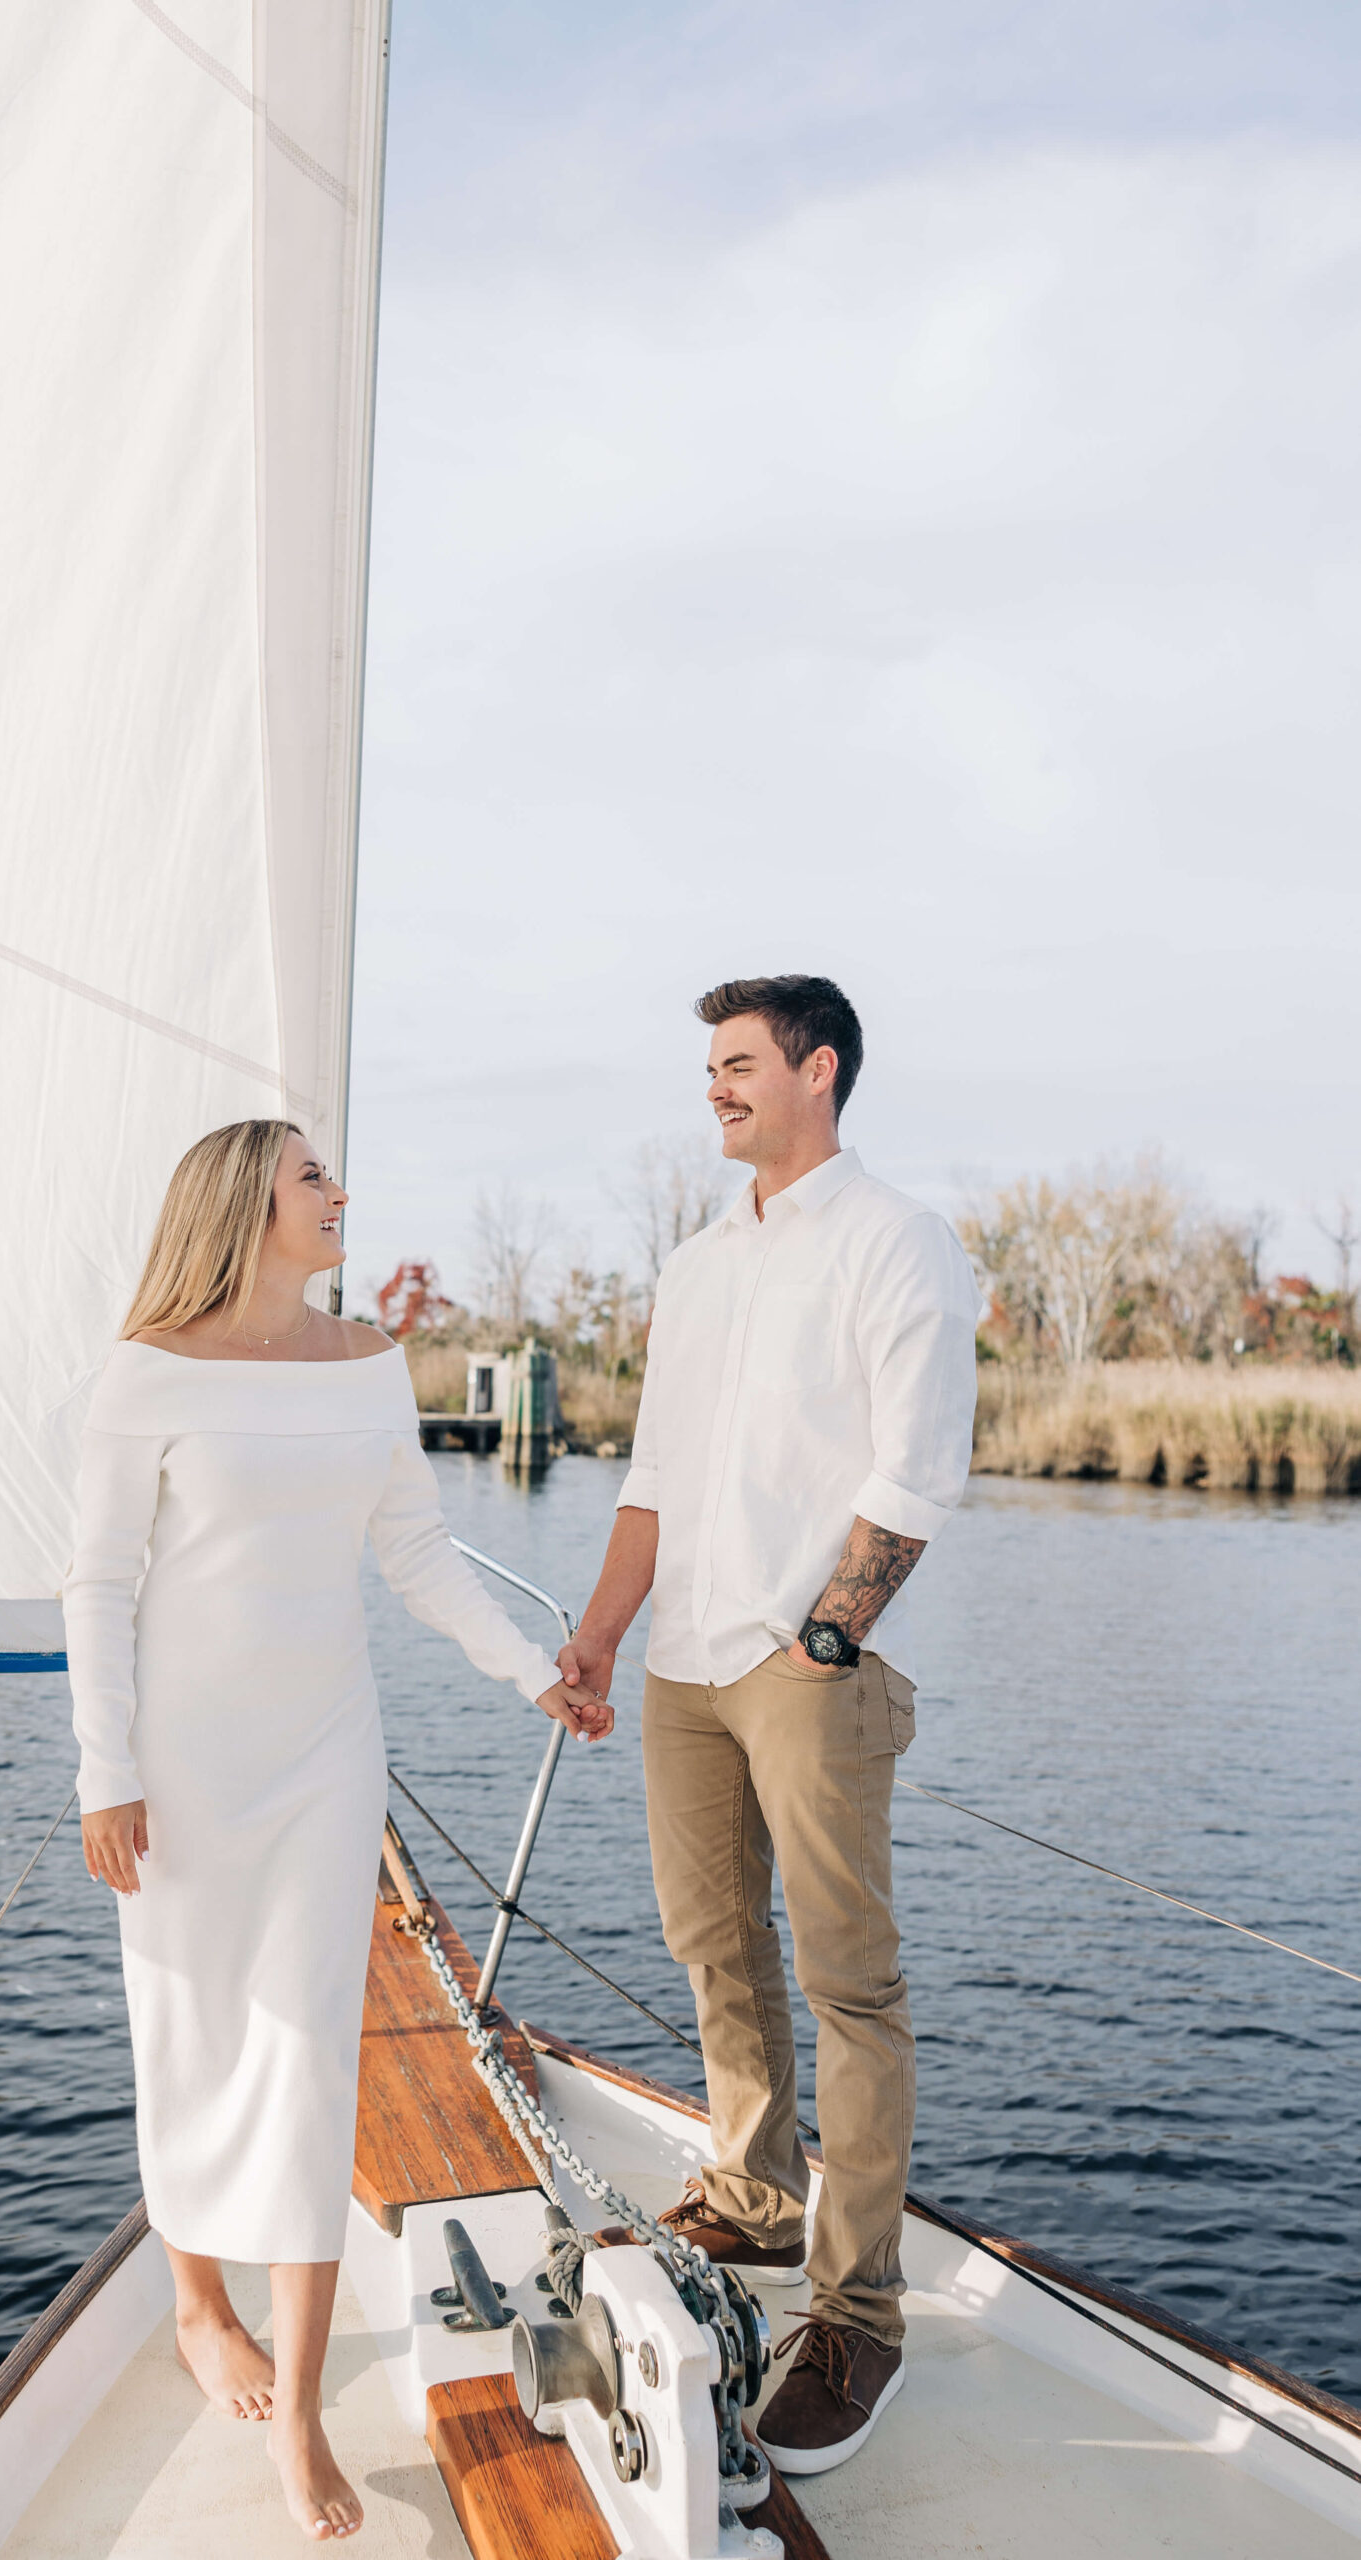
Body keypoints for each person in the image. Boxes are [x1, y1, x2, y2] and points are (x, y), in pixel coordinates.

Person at [64, 1119, 610, 2543]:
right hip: (178, 1765)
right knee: (185, 2027)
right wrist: (101, 1771)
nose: (340, 1192)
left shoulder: (371, 1363)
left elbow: (417, 1550)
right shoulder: (146, 1372)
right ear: (247, 1203)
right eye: (314, 1176)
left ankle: (298, 2415)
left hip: (321, 1759)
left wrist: (527, 1672)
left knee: (311, 2058)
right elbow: (98, 1582)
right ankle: (198, 2306)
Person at [558, 974, 979, 2477]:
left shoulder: (897, 1240)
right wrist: (601, 1637)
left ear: (821, 1070)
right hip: (678, 1667)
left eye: (739, 1065)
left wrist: (826, 1640)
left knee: (851, 1990)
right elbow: (655, 1482)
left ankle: (859, 2317)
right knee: (712, 1945)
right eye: (711, 1068)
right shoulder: (693, 1268)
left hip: (805, 1670)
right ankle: (752, 2198)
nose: (717, 1089)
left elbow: (919, 1470)